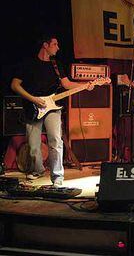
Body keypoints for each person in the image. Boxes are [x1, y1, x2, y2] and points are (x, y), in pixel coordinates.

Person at [11, 35, 94, 186]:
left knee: (56, 140)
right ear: (45, 45)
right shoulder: (28, 64)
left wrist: (86, 85)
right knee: (33, 144)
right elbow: (15, 85)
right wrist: (33, 99)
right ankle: (37, 170)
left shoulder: (56, 65)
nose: (58, 47)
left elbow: (66, 84)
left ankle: (57, 177)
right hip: (33, 107)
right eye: (55, 44)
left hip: (53, 108)